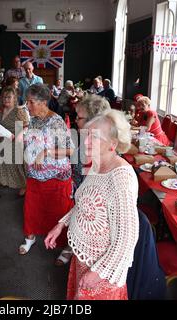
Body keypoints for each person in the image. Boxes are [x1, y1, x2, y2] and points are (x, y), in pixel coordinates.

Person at [45, 110, 139, 300]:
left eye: (94, 138)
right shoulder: (97, 165)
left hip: (103, 269)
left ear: (113, 144)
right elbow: (85, 204)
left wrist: (99, 272)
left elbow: (127, 238)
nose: (86, 142)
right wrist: (62, 224)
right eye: (86, 136)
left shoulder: (121, 178)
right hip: (84, 257)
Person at [53, 95, 111, 267]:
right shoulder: (85, 140)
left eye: (79, 117)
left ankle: (76, 249)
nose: (76, 120)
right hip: (79, 194)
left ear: (94, 121)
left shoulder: (99, 150)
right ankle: (72, 246)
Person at [19, 84, 75, 256]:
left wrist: (46, 152)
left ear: (43, 102)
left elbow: (70, 150)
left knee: (59, 211)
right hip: (35, 174)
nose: (27, 106)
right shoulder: (34, 119)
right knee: (32, 208)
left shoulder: (56, 122)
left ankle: (66, 246)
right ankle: (30, 237)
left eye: (31, 102)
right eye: (27, 102)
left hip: (56, 176)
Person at [0, 87, 29, 196]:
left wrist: (19, 135)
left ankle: (24, 185)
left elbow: (26, 126)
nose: (6, 99)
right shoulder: (0, 110)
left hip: (16, 140)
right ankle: (6, 181)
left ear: (14, 98)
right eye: (4, 97)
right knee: (3, 162)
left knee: (17, 164)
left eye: (9, 97)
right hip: (2, 140)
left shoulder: (18, 111)